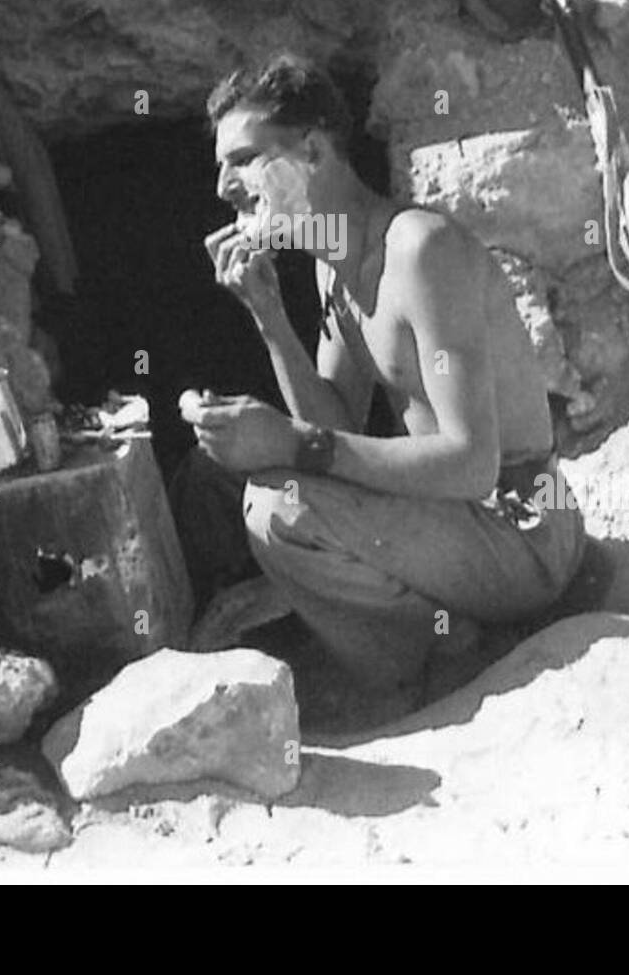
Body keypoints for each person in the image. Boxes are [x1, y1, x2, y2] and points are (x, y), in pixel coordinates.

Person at [173, 53, 588, 702]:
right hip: (457, 518)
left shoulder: (421, 251)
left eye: (245, 159)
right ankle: (425, 634)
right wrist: (268, 314)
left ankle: (440, 659)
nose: (225, 185)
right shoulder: (332, 265)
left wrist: (286, 443)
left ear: (311, 151)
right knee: (212, 477)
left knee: (280, 508)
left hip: (523, 526)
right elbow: (335, 423)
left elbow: (472, 463)